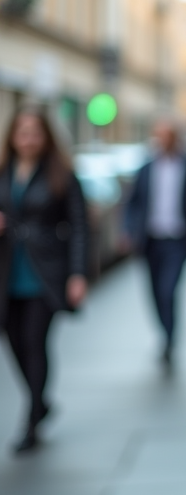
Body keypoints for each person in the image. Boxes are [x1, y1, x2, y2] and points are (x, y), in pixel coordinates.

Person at [0, 105, 89, 453]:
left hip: (46, 273)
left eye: (35, 132)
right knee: (15, 344)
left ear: (46, 136)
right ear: (12, 135)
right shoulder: (4, 171)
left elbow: (81, 226)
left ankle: (31, 421)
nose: (28, 139)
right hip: (8, 272)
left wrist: (78, 274)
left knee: (34, 342)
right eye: (22, 132)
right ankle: (41, 402)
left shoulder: (62, 173)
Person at [124, 119, 186, 364]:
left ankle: (170, 339)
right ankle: (165, 333)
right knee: (154, 292)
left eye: (166, 136)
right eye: (158, 136)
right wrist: (127, 230)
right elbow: (133, 203)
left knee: (168, 289)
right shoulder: (146, 168)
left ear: (176, 139)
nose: (162, 141)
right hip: (150, 240)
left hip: (178, 240)